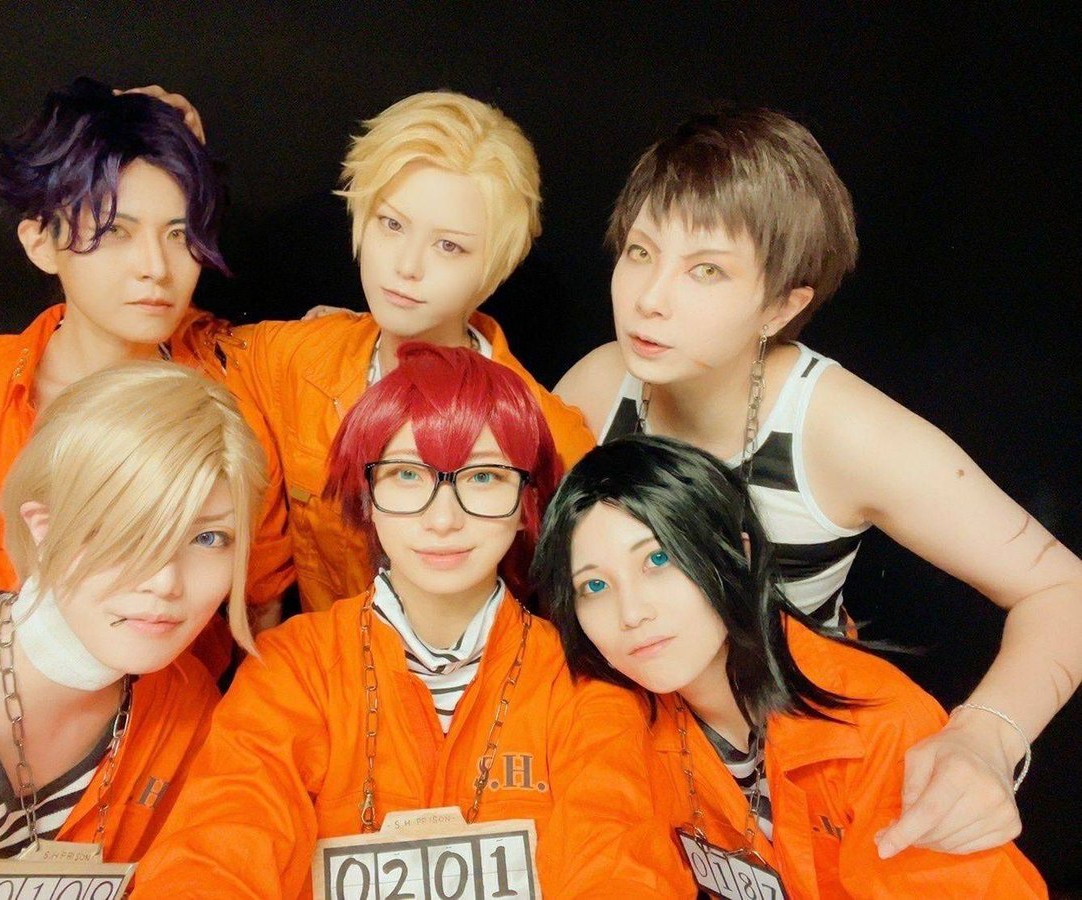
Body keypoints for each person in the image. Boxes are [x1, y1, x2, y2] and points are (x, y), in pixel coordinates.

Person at [553, 108, 1082, 857]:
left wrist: (987, 738)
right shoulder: (598, 388)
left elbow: (1063, 589)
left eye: (706, 269)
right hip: (640, 760)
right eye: (641, 252)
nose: (649, 298)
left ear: (783, 304)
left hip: (806, 778)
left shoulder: (838, 431)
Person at [133, 346, 679, 898]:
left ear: (526, 503)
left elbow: (620, 862)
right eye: (407, 474)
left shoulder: (582, 677)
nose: (443, 518)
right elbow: (217, 849)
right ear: (366, 496)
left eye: (484, 477)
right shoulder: (294, 668)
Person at [534, 435, 1046, 897]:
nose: (631, 613)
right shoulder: (616, 710)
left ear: (737, 553)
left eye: (658, 560)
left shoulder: (876, 726)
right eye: (594, 586)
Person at [0, 361, 266, 898]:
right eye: (127, 529)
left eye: (208, 539)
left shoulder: (183, 700)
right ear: (43, 529)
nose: (164, 581)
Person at [221, 90, 594, 614]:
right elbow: (180, 351)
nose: (407, 266)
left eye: (449, 245)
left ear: (494, 267)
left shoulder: (552, 436)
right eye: (391, 224)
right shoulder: (293, 359)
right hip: (318, 659)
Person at [0, 77, 232, 615]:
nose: (156, 269)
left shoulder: (238, 391)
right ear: (41, 244)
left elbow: (261, 603)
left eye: (179, 235)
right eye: (115, 231)